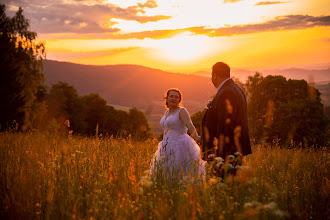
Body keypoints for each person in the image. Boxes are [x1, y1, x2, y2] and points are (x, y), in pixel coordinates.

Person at [201, 62, 252, 166]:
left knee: (224, 181)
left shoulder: (226, 92)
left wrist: (217, 154)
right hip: (233, 151)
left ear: (215, 75)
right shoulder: (236, 88)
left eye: (212, 75)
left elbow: (224, 125)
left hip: (225, 154)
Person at [150, 88, 206, 179]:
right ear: (166, 99)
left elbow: (189, 124)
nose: (173, 98)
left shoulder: (182, 111)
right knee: (165, 171)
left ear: (179, 100)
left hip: (180, 145)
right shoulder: (167, 112)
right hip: (166, 145)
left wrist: (196, 137)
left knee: (179, 170)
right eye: (171, 96)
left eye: (176, 97)